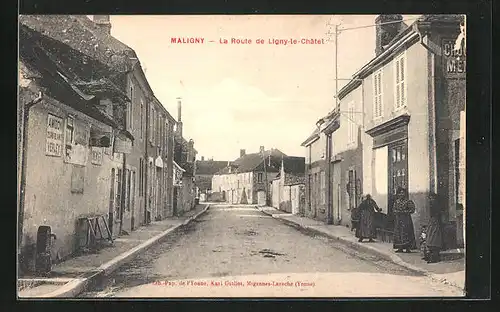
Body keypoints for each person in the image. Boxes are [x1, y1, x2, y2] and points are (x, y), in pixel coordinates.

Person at [392, 187, 417, 253]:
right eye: (400, 193)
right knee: (398, 233)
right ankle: (400, 247)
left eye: (403, 193)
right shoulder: (396, 202)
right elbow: (393, 210)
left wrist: (404, 212)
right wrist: (397, 212)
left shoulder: (408, 202)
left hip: (406, 219)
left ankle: (407, 248)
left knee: (407, 232)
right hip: (398, 220)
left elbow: (412, 210)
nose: (401, 194)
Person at [425, 192, 444, 263]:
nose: (430, 200)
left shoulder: (434, 204)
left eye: (432, 198)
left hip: (435, 222)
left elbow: (436, 214)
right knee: (433, 239)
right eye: (430, 198)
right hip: (434, 221)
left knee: (433, 239)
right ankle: (435, 257)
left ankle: (434, 258)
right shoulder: (434, 204)